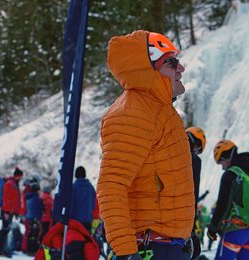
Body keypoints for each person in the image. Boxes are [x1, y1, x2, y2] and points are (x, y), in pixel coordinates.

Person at [97, 30, 195, 260]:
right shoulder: (131, 114)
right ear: (147, 70)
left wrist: (185, 235)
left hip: (168, 245)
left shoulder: (158, 110)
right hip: (148, 248)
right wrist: (125, 251)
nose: (181, 68)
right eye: (171, 62)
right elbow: (111, 187)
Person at [207, 140, 249, 260]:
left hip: (236, 231)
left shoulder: (231, 175)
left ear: (226, 157)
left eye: (221, 162)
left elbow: (223, 205)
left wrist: (212, 229)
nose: (222, 167)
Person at [0, 167, 23, 257]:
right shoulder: (10, 184)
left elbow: (15, 201)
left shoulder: (14, 184)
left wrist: (16, 212)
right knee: (5, 230)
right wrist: (6, 212)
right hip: (7, 211)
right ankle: (1, 250)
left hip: (9, 211)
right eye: (20, 177)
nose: (21, 179)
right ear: (17, 176)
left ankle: (2, 250)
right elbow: (6, 199)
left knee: (6, 230)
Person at [70, 166, 96, 232]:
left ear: (76, 175)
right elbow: (93, 205)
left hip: (76, 222)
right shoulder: (90, 187)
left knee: (76, 241)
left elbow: (71, 205)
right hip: (88, 221)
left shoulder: (74, 187)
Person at [25, 181, 44, 255]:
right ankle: (33, 251)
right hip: (36, 218)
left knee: (30, 235)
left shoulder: (28, 197)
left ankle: (28, 249)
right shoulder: (37, 199)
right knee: (35, 235)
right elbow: (41, 208)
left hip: (29, 217)